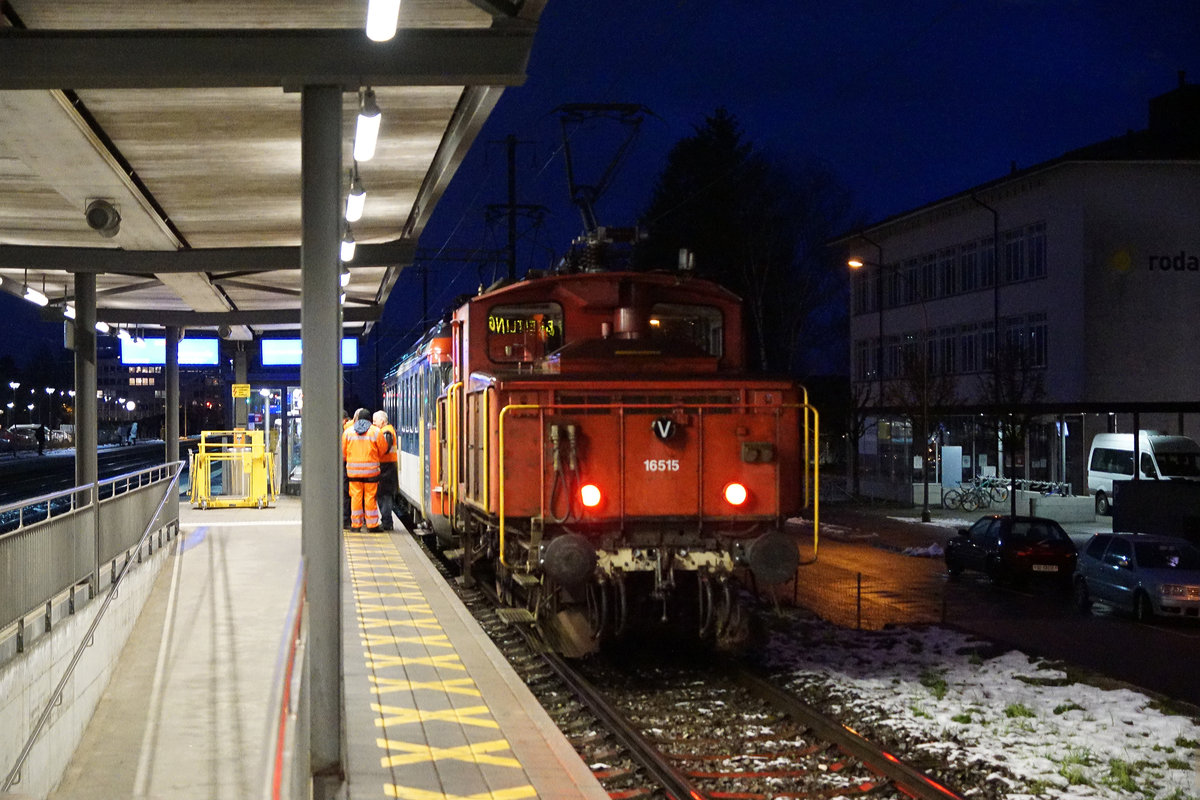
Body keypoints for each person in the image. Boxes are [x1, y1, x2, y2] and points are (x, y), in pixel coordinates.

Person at [341, 407, 383, 531]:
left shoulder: (348, 432)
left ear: (357, 419)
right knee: (370, 497)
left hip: (353, 473)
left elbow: (343, 453)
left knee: (356, 497)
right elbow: (382, 449)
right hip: (371, 472)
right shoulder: (375, 432)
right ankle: (372, 525)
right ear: (370, 419)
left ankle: (356, 525)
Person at [373, 410, 398, 531]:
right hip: (387, 468)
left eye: (375, 421)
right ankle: (386, 520)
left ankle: (387, 522)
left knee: (385, 496)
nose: (374, 423)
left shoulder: (386, 432)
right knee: (383, 495)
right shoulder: (385, 431)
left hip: (387, 469)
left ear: (382, 421)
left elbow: (384, 449)